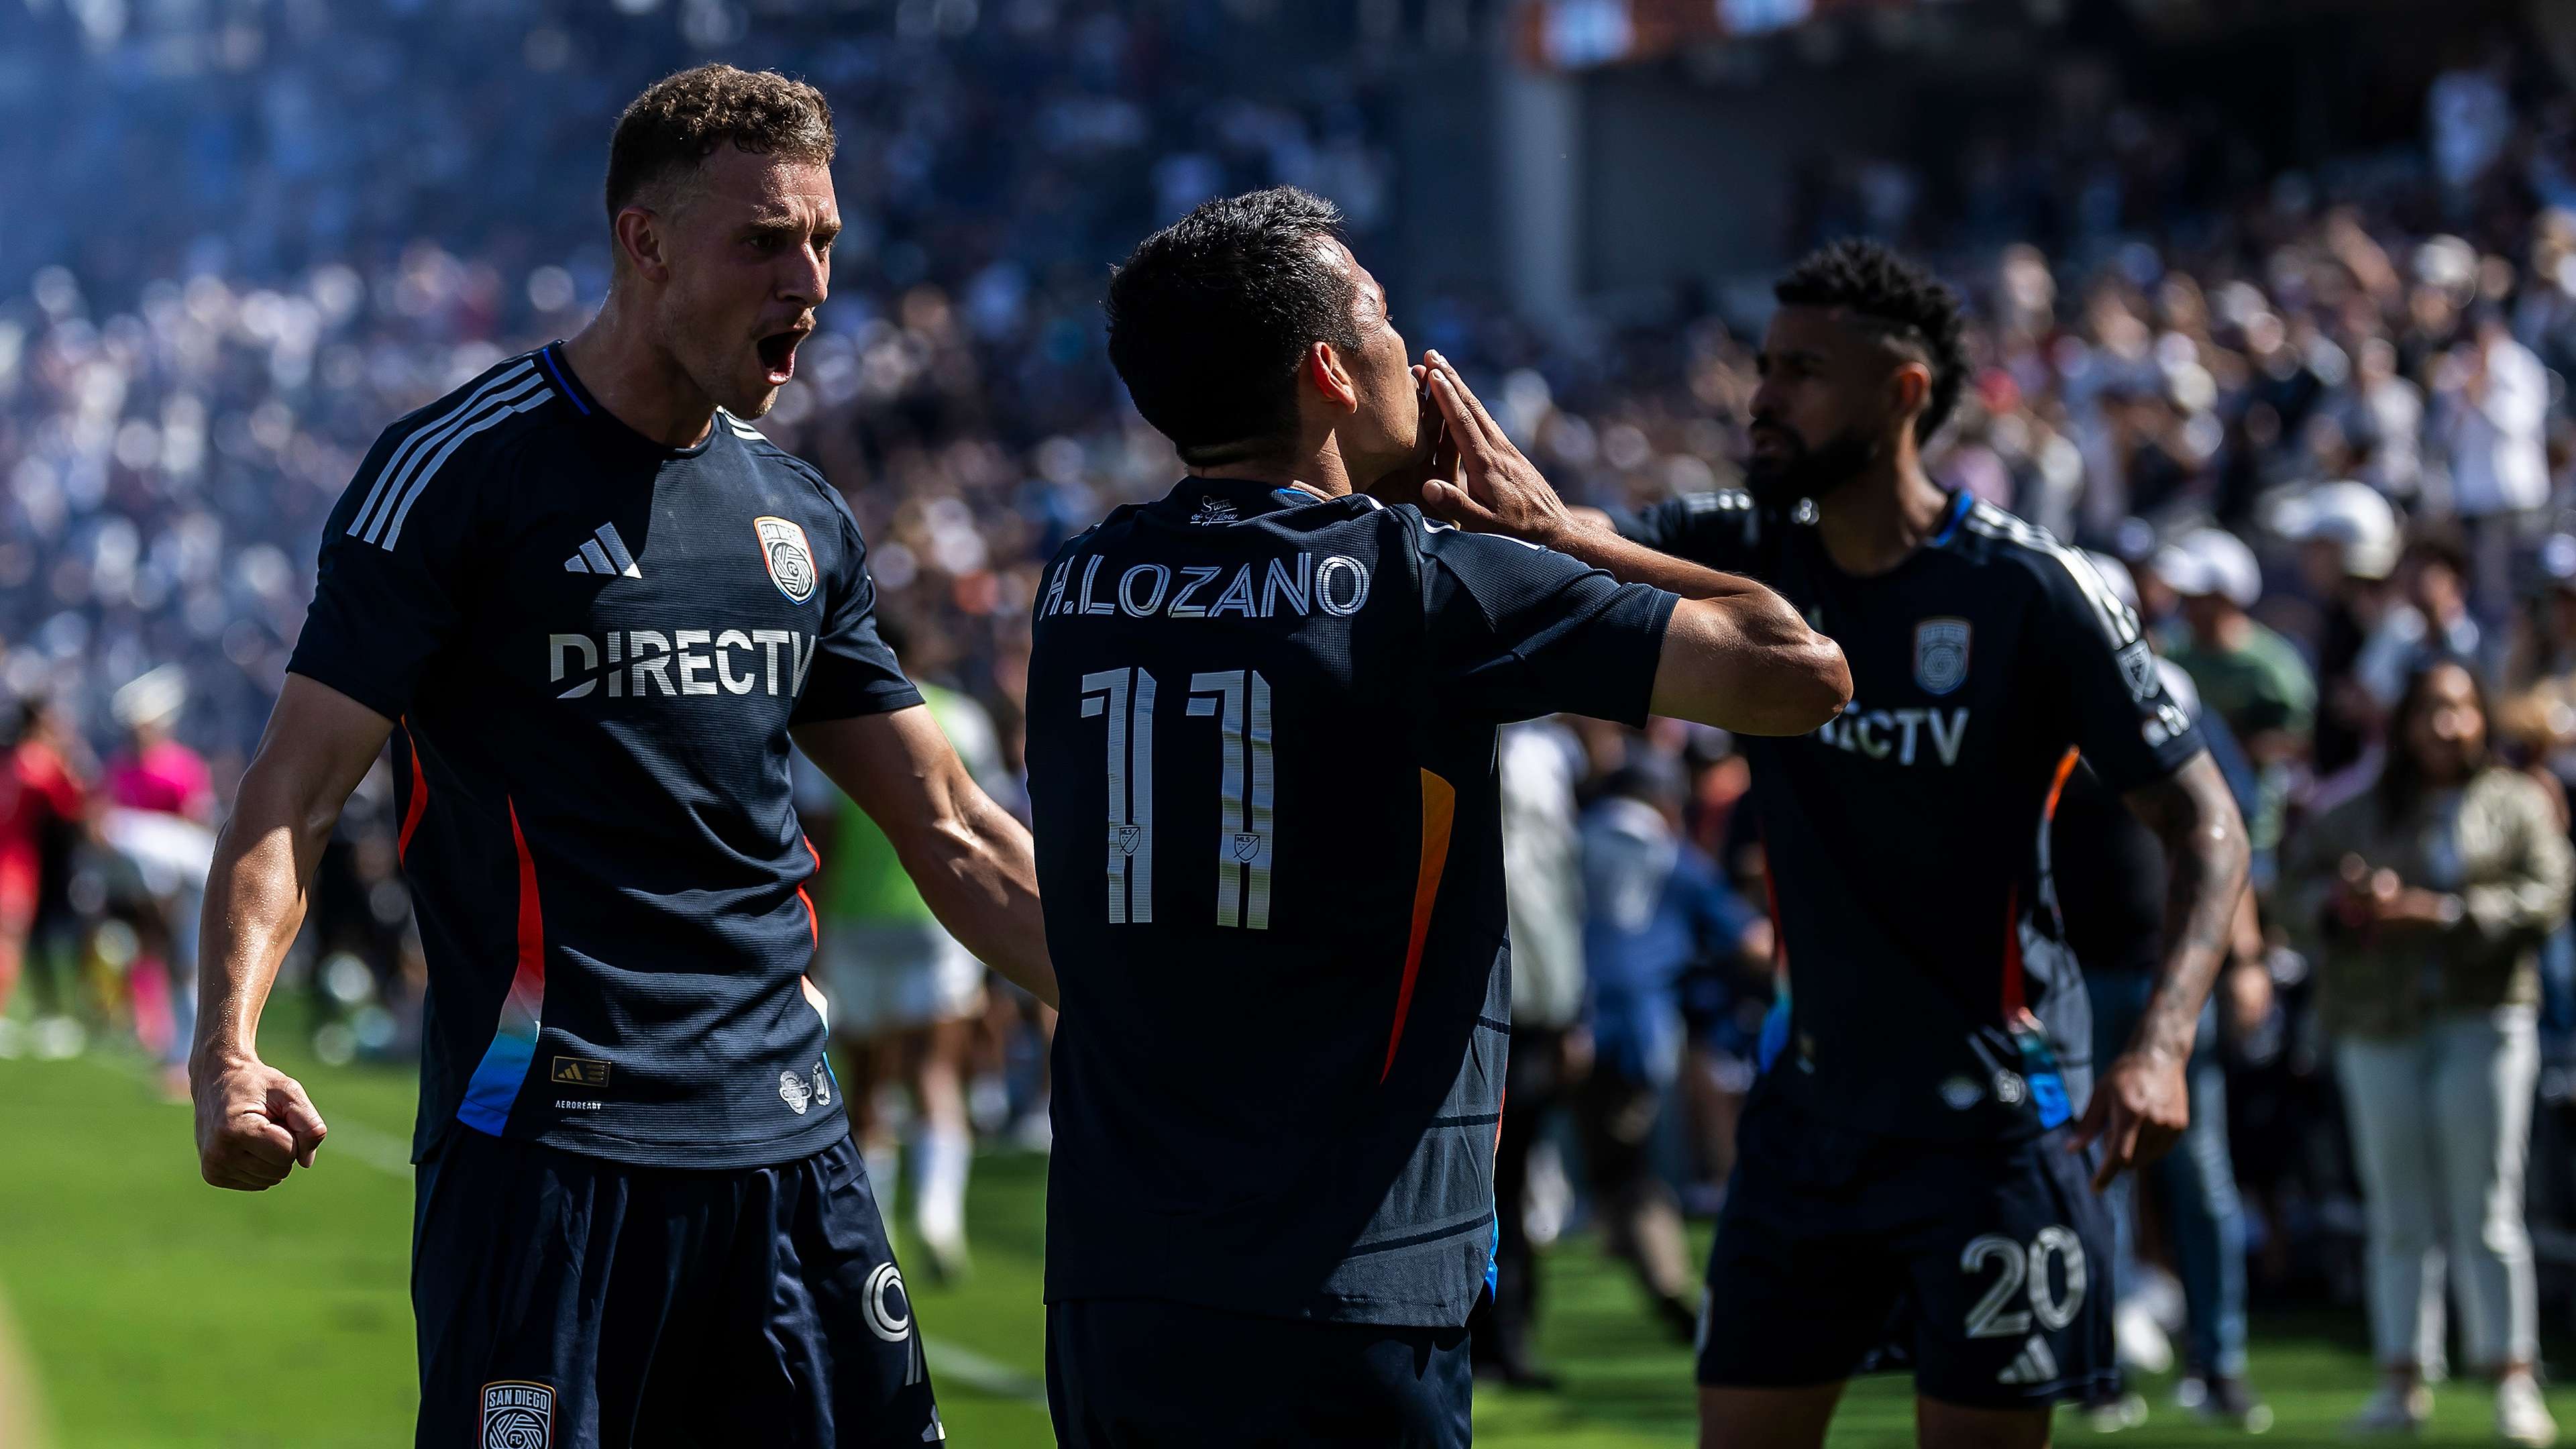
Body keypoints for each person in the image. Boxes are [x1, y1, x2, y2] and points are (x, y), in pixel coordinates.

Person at [186, 66, 1055, 1449]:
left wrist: (1163, 1019)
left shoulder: (801, 515)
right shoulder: (457, 476)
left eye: (825, 241)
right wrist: (227, 1053)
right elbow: (290, 798)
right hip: (546, 1151)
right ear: (643, 245)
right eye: (764, 240)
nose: (809, 283)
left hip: (790, 1147)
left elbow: (949, 824)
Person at [1028, 187, 1849, 1449]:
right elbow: (1798, 672)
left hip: (1116, 1280)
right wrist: (1564, 531)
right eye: (1382, 319)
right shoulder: (1421, 584)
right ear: (1327, 374)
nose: (1414, 356)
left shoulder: (1077, 587)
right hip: (1353, 1277)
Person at [1550, 239, 2251, 1448]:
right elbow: (1560, 536)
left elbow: (2207, 823)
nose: (1762, 397)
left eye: (1804, 372)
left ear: (1905, 393)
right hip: (1805, 1119)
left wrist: (2164, 1044)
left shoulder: (2032, 591)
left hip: (1988, 1128)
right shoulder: (1748, 544)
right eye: (1763, 367)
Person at [2284, 659, 2571, 1445]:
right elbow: (2294, 890)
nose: (2446, 725)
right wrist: (2344, 909)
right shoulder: (2356, 807)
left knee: (2487, 1206)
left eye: (2461, 708)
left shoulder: (2516, 803)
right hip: (2380, 1024)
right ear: (2406, 721)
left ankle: (2511, 1375)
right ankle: (2400, 1380)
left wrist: (2443, 915)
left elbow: (2546, 898)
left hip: (2484, 1017)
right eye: (2431, 710)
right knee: (2397, 1209)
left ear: (2482, 716)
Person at [812, 614, 1006, 1282]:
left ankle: (877, 1233)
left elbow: (819, 833)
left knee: (868, 1087)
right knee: (935, 1072)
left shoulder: (831, 720)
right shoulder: (963, 716)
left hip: (853, 918)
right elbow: (991, 822)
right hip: (939, 918)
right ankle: (938, 1218)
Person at [1576, 754, 1765, 1342]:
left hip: (1541, 1025)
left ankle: (1501, 1334)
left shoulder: (1570, 841)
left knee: (1526, 1173)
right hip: (1631, 1036)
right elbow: (1752, 942)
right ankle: (1670, 1288)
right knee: (1634, 1172)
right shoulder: (1673, 858)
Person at [1474, 716, 1590, 1388]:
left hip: (1539, 1003)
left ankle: (1508, 1338)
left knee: (1514, 1180)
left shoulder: (1547, 753)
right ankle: (1475, 1337)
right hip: (1469, 997)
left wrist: (1576, 1009)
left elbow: (1560, 889)